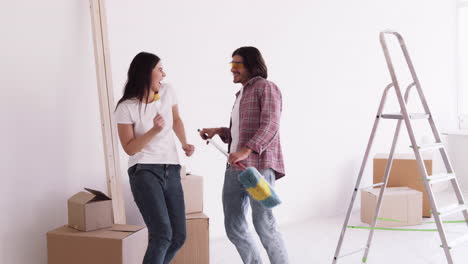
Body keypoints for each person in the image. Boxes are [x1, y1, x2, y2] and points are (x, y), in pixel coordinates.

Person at [199, 46, 289, 264]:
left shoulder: (266, 88)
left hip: (257, 170)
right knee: (233, 226)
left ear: (251, 65)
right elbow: (241, 133)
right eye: (232, 65)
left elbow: (270, 125)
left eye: (237, 64)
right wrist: (220, 131)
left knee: (264, 225)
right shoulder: (241, 95)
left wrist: (246, 151)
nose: (232, 69)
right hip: (235, 169)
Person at [114, 52, 194, 264]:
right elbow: (130, 149)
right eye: (159, 69)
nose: (163, 73)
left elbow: (176, 119)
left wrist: (185, 143)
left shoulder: (168, 91)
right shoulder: (126, 107)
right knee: (162, 235)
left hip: (172, 167)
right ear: (145, 73)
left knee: (178, 236)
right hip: (144, 170)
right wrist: (153, 131)